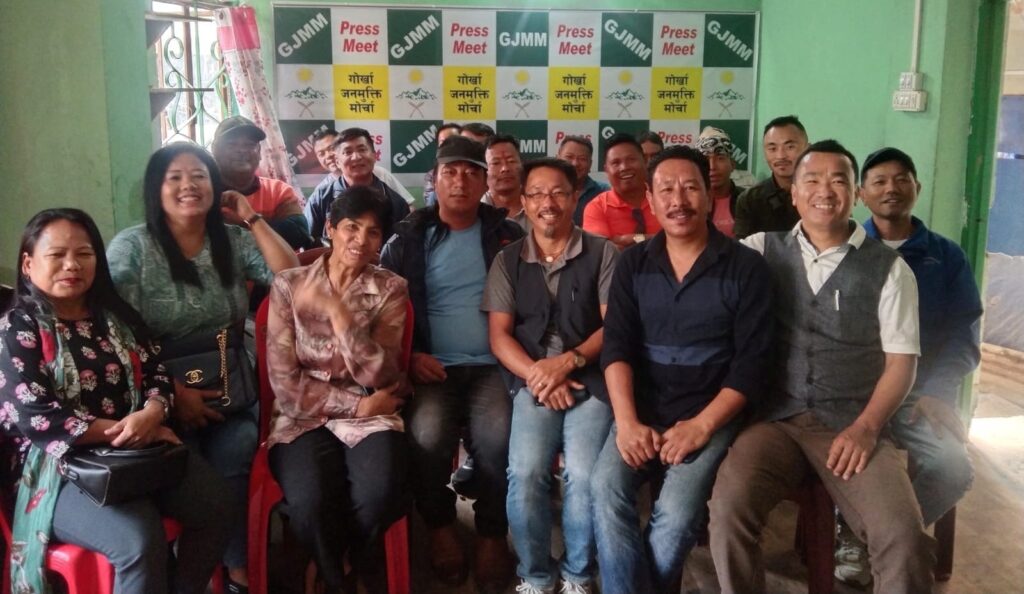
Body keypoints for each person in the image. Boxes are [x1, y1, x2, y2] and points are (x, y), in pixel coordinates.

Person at [710, 140, 934, 594]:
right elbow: (702, 268)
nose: (824, 190)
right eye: (811, 179)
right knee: (728, 513)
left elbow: (901, 364)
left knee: (903, 538)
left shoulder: (890, 270)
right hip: (776, 421)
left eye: (838, 180)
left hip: (853, 423)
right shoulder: (759, 249)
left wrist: (867, 428)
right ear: (794, 193)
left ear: (856, 194)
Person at [1, 208, 232, 594]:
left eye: (84, 253)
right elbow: (35, 415)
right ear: (28, 264)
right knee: (138, 540)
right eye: (57, 254)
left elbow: (157, 373)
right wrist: (130, 431)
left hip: (137, 450)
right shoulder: (17, 329)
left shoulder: (115, 317)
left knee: (218, 507)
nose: (72, 265)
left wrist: (153, 412)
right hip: (57, 468)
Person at [107, 142, 299, 592]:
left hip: (230, 384)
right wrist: (174, 395)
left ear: (216, 186)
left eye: (199, 176)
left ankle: (235, 569)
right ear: (156, 189)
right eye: (174, 177)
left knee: (237, 447)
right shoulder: (132, 248)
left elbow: (292, 278)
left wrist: (252, 219)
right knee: (183, 458)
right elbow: (113, 332)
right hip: (155, 391)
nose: (188, 186)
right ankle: (191, 569)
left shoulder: (231, 240)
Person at [591, 146, 773, 594]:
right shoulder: (633, 264)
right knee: (604, 488)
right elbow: (616, 347)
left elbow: (752, 365)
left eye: (691, 188)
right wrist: (627, 423)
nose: (679, 200)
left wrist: (701, 426)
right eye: (666, 190)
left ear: (710, 197)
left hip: (709, 417)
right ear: (650, 201)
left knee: (675, 515)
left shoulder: (747, 268)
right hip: (642, 412)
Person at [827, 147, 981, 586]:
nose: (891, 189)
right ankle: (880, 538)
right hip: (855, 391)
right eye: (879, 181)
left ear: (918, 187)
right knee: (844, 456)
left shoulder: (946, 257)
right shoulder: (843, 250)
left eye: (901, 179)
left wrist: (940, 391)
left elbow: (963, 333)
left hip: (920, 394)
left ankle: (869, 539)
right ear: (861, 194)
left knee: (953, 467)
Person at [380, 135, 524, 591]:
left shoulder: (507, 236)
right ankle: (440, 526)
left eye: (471, 172)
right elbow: (380, 316)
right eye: (450, 172)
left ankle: (491, 533)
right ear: (434, 180)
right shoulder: (407, 240)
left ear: (484, 181)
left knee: (499, 439)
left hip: (493, 366)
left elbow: (534, 306)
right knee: (425, 437)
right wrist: (410, 357)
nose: (460, 181)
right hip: (431, 367)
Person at [483, 158, 618, 594]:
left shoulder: (603, 252)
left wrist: (568, 363)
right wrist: (540, 375)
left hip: (592, 378)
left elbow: (613, 326)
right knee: (525, 473)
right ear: (523, 202)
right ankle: (536, 574)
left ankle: (578, 573)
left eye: (558, 192)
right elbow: (500, 336)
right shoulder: (507, 260)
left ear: (575, 198)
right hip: (532, 380)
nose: (548, 202)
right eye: (537, 193)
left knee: (584, 473)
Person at [267, 188, 410, 594]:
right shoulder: (289, 285)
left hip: (372, 413)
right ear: (330, 228)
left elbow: (382, 372)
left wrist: (338, 314)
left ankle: (336, 560)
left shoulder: (390, 288)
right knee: (309, 502)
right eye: (351, 227)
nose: (360, 240)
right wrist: (357, 406)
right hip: (303, 417)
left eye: (372, 232)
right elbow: (285, 382)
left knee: (381, 493)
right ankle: (342, 578)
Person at [211, 116, 312, 250]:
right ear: (215, 150)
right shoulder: (205, 193)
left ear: (259, 152)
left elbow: (298, 234)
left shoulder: (278, 191)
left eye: (249, 145)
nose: (242, 150)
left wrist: (244, 223)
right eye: (232, 144)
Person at [304, 128, 416, 244]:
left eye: (362, 150)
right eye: (348, 152)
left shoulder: (396, 203)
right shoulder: (320, 198)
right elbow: (309, 241)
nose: (356, 157)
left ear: (374, 155)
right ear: (337, 161)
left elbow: (404, 247)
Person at [732, 115, 808, 239]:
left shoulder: (821, 194)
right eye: (772, 148)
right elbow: (742, 247)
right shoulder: (749, 200)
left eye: (790, 147)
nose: (781, 156)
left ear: (808, 148)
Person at [582, 133, 661, 250]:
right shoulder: (597, 207)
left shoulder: (664, 199)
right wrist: (659, 239)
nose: (624, 167)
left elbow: (680, 241)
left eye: (631, 160)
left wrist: (628, 239)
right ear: (606, 170)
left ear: (644, 161)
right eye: (616, 163)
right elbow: (601, 253)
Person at [694, 126, 741, 237]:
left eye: (720, 158)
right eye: (706, 159)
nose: (712, 167)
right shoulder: (692, 201)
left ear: (732, 164)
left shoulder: (748, 200)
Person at [557, 135, 609, 226]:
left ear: (590, 164)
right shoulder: (544, 192)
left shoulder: (604, 193)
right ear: (557, 159)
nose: (575, 163)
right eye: (569, 157)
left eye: (582, 159)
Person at [482, 134, 529, 230]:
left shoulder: (538, 206)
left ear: (522, 164)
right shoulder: (474, 211)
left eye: (511, 161)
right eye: (496, 163)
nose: (505, 168)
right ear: (484, 170)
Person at [423, 122, 463, 207]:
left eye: (454, 140)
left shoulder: (478, 169)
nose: (449, 146)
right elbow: (430, 204)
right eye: (443, 142)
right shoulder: (432, 176)